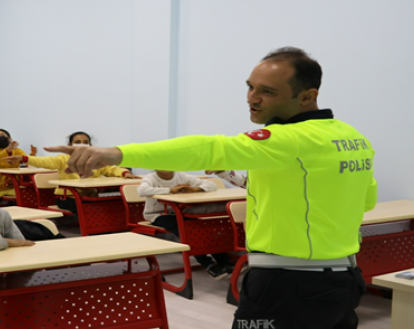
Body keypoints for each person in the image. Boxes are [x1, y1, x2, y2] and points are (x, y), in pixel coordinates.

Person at [46, 47, 376, 329]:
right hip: (344, 280)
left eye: (268, 92)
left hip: (287, 284)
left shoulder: (286, 140)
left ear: (307, 95)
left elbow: (208, 148)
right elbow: (366, 201)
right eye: (249, 87)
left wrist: (117, 152)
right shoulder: (353, 138)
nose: (252, 99)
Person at [3, 131, 140, 214]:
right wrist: (24, 158)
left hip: (89, 195)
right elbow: (44, 162)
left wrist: (124, 173)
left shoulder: (94, 159)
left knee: (111, 203)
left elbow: (111, 168)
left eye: (85, 142)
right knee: (91, 207)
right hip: (67, 198)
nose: (82, 144)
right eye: (78, 142)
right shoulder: (63, 159)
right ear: (70, 145)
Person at [137, 170, 233, 279]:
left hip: (181, 213)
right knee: (188, 232)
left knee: (204, 229)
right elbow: (141, 190)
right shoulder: (151, 178)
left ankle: (225, 262)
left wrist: (195, 189)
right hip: (158, 215)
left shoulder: (181, 176)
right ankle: (208, 264)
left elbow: (212, 185)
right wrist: (170, 190)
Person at [0, 128, 37, 204]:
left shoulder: (17, 151)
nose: (0, 138)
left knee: (28, 196)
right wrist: (9, 149)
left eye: (2, 135)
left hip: (13, 186)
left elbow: (26, 160)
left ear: (9, 138)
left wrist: (32, 155)